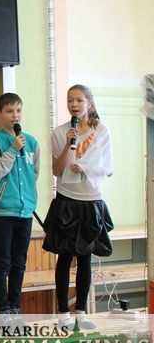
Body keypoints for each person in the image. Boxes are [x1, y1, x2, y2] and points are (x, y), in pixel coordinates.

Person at [42, 84, 113, 330]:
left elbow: (108, 168)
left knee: (85, 259)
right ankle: (63, 313)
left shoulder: (101, 131)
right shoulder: (60, 132)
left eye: (79, 100)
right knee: (64, 257)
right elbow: (56, 170)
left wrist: (85, 167)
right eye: (70, 100)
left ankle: (81, 312)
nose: (74, 104)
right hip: (67, 200)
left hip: (91, 200)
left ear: (89, 103)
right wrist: (67, 144)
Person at [0, 93, 40, 326]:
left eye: (18, 110)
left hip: (25, 212)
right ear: (0, 114)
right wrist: (13, 150)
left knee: (19, 263)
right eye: (9, 111)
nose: (15, 115)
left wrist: (28, 197)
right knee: (3, 264)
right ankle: (3, 311)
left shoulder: (32, 142)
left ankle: (15, 308)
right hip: (3, 212)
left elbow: (34, 174)